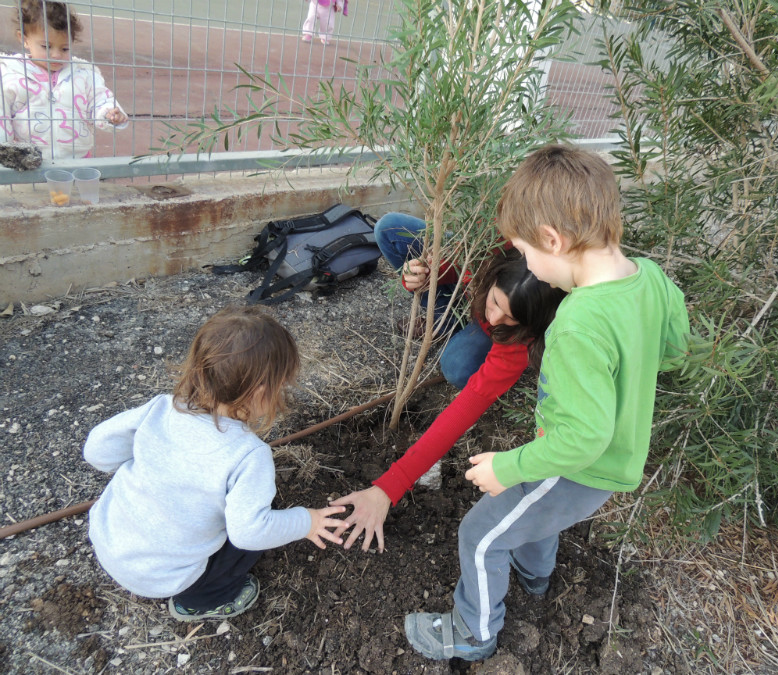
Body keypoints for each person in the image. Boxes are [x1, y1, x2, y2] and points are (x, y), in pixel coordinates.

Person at [403, 144, 691, 661]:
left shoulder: (577, 322)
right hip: (612, 459)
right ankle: (534, 578)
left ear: (553, 240)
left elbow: (582, 437)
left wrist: (508, 467)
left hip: (579, 467)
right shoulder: (650, 279)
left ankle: (473, 632)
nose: (530, 268)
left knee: (482, 534)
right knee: (536, 516)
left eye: (527, 254)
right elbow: (675, 349)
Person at [84, 306, 348, 622]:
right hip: (162, 578)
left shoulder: (163, 408)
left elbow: (97, 452)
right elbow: (249, 533)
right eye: (282, 385)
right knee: (251, 532)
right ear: (261, 392)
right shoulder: (248, 456)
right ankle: (202, 600)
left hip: (108, 538)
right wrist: (308, 521)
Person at [332, 212, 566, 553]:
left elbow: (461, 412)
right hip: (474, 277)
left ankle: (456, 321)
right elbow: (458, 268)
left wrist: (388, 487)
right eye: (495, 303)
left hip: (503, 316)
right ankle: (440, 309)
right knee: (389, 228)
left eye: (509, 318)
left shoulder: (518, 341)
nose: (495, 318)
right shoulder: (486, 249)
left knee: (457, 367)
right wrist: (422, 276)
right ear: (495, 276)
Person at [0, 0, 129, 160]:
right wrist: (4, 153)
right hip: (28, 162)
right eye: (46, 46)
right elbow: (2, 115)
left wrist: (109, 113)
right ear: (24, 38)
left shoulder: (84, 73)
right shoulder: (10, 74)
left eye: (65, 48)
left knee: (76, 185)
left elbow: (99, 99)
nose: (56, 55)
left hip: (77, 159)